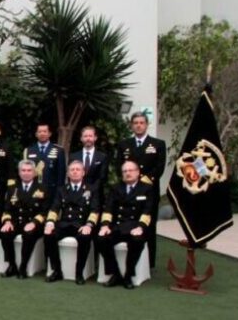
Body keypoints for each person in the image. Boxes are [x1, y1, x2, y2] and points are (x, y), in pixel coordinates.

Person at [115, 112, 166, 268]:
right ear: (131, 125)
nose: (138, 125)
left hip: (149, 191)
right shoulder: (124, 144)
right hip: (128, 191)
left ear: (146, 125)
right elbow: (119, 167)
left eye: (141, 122)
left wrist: (141, 181)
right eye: (135, 122)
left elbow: (159, 168)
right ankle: (127, 260)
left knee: (149, 226)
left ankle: (149, 262)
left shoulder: (157, 144)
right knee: (128, 222)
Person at [96, 160, 154, 289]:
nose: (128, 173)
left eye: (130, 170)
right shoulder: (116, 188)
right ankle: (115, 274)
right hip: (118, 226)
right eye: (125, 171)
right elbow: (108, 209)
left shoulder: (147, 188)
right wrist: (105, 225)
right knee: (101, 239)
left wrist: (141, 227)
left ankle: (128, 275)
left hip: (136, 226)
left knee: (137, 241)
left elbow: (148, 211)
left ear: (138, 172)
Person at [43, 161, 99, 285]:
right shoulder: (62, 189)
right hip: (64, 224)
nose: (75, 172)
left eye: (78, 169)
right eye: (72, 170)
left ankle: (79, 273)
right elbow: (54, 208)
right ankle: (57, 271)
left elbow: (95, 210)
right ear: (68, 173)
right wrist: (50, 222)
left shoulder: (91, 189)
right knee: (48, 235)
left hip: (81, 225)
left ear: (83, 173)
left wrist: (89, 225)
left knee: (85, 238)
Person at [0, 160, 51, 279]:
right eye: (23, 170)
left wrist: (34, 223)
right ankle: (12, 265)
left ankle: (23, 267)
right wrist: (7, 221)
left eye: (29, 170)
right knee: (4, 233)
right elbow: (7, 209)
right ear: (19, 172)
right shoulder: (12, 188)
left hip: (34, 223)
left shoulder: (43, 188)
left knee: (28, 234)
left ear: (34, 172)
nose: (26, 173)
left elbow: (45, 211)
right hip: (16, 222)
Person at [23, 123, 66, 201]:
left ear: (49, 134)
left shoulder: (58, 150)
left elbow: (61, 175)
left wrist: (59, 195)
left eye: (45, 131)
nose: (42, 134)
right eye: (40, 132)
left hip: (51, 192)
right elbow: (24, 173)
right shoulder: (29, 150)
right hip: (33, 191)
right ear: (36, 134)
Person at [69, 126, 109, 201]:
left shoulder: (102, 157)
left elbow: (103, 177)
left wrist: (90, 190)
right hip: (76, 194)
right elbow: (71, 176)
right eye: (85, 136)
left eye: (90, 136)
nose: (88, 139)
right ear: (81, 138)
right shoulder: (73, 156)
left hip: (96, 196)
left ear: (95, 138)